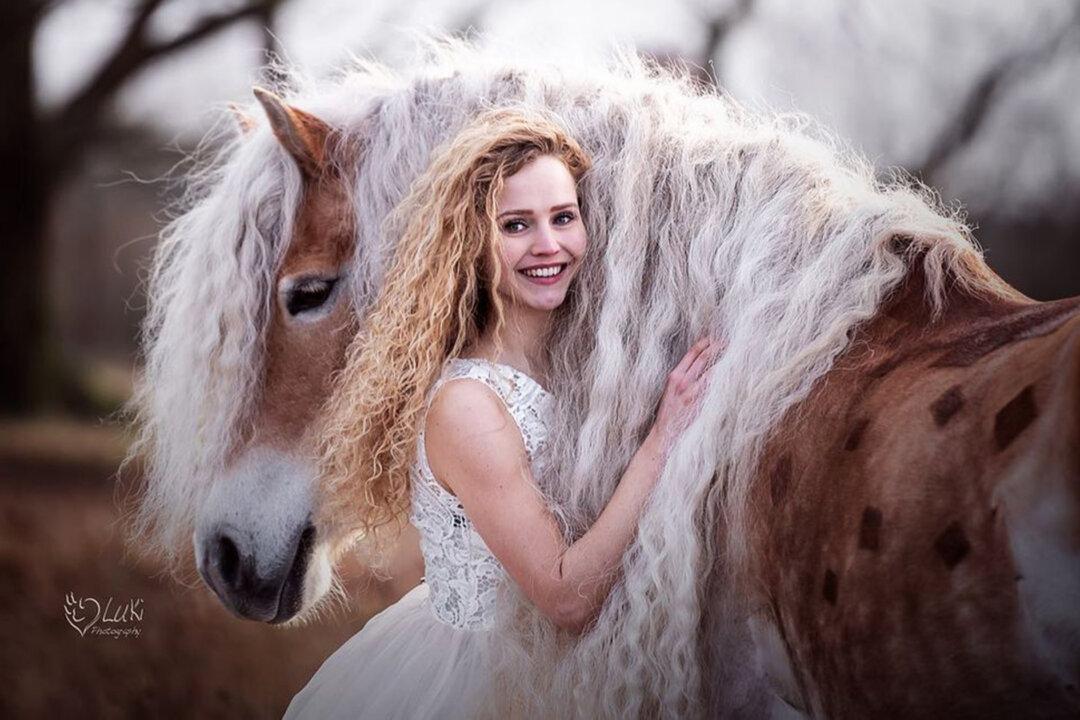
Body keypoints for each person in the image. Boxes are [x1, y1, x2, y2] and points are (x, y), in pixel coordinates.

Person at [284, 109, 721, 719]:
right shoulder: (468, 406)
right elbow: (565, 596)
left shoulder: (578, 366)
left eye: (563, 217)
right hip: (484, 685)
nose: (549, 246)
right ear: (472, 243)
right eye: (516, 225)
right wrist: (664, 436)